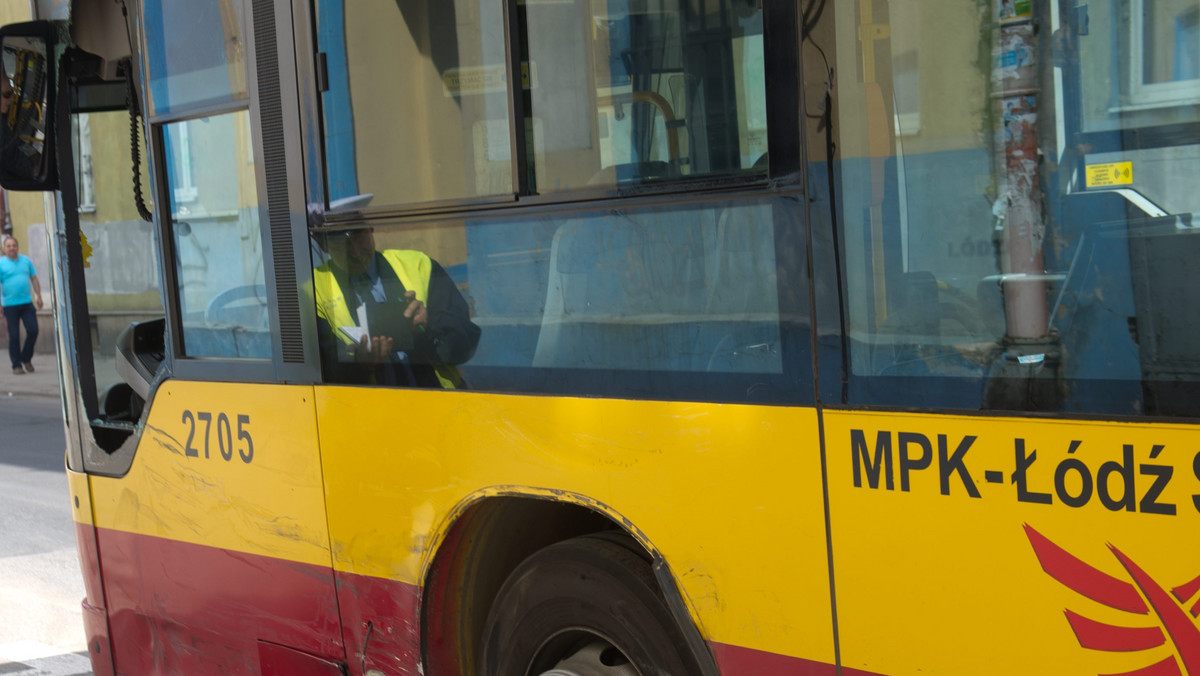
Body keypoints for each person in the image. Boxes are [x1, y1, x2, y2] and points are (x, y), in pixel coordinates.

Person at [313, 228, 480, 388]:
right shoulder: (315, 290)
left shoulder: (419, 265)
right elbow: (318, 372)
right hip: (371, 409)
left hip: (438, 398)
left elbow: (466, 343)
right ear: (322, 244)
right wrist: (360, 364)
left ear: (370, 229)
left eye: (359, 238)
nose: (356, 253)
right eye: (342, 245)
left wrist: (428, 328)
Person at [0, 235, 43, 375]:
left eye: (14, 245)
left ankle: (26, 358)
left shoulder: (26, 261)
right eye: (9, 246)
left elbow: (34, 279)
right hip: (10, 305)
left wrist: (39, 296)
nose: (12, 248)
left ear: (17, 247)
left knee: (33, 330)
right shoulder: (1, 263)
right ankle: (16, 365)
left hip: (27, 304)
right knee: (14, 336)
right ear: (3, 249)